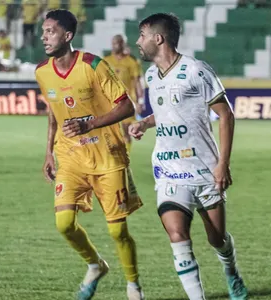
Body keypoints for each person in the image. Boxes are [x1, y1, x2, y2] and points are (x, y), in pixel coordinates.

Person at [129, 13, 248, 299]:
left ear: (159, 38)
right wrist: (145, 122)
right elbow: (167, 110)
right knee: (177, 236)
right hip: (169, 169)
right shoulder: (150, 76)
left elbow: (225, 115)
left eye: (142, 35)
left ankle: (230, 270)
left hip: (205, 168)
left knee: (216, 239)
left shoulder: (196, 70)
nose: (138, 42)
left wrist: (223, 164)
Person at [35, 9, 145, 300]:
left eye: (50, 31)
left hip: (106, 156)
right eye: (43, 31)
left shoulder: (94, 65)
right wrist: (48, 152)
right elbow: (53, 114)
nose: (44, 36)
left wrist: (89, 123)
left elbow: (127, 107)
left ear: (67, 36)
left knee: (118, 232)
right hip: (70, 157)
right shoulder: (42, 72)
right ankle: (95, 265)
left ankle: (133, 285)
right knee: (64, 224)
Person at [104, 35, 144, 154]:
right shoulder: (106, 60)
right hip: (110, 101)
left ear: (123, 44)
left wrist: (140, 102)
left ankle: (126, 155)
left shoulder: (132, 61)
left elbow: (137, 82)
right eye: (113, 42)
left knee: (126, 131)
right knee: (110, 131)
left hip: (127, 101)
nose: (115, 45)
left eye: (118, 43)